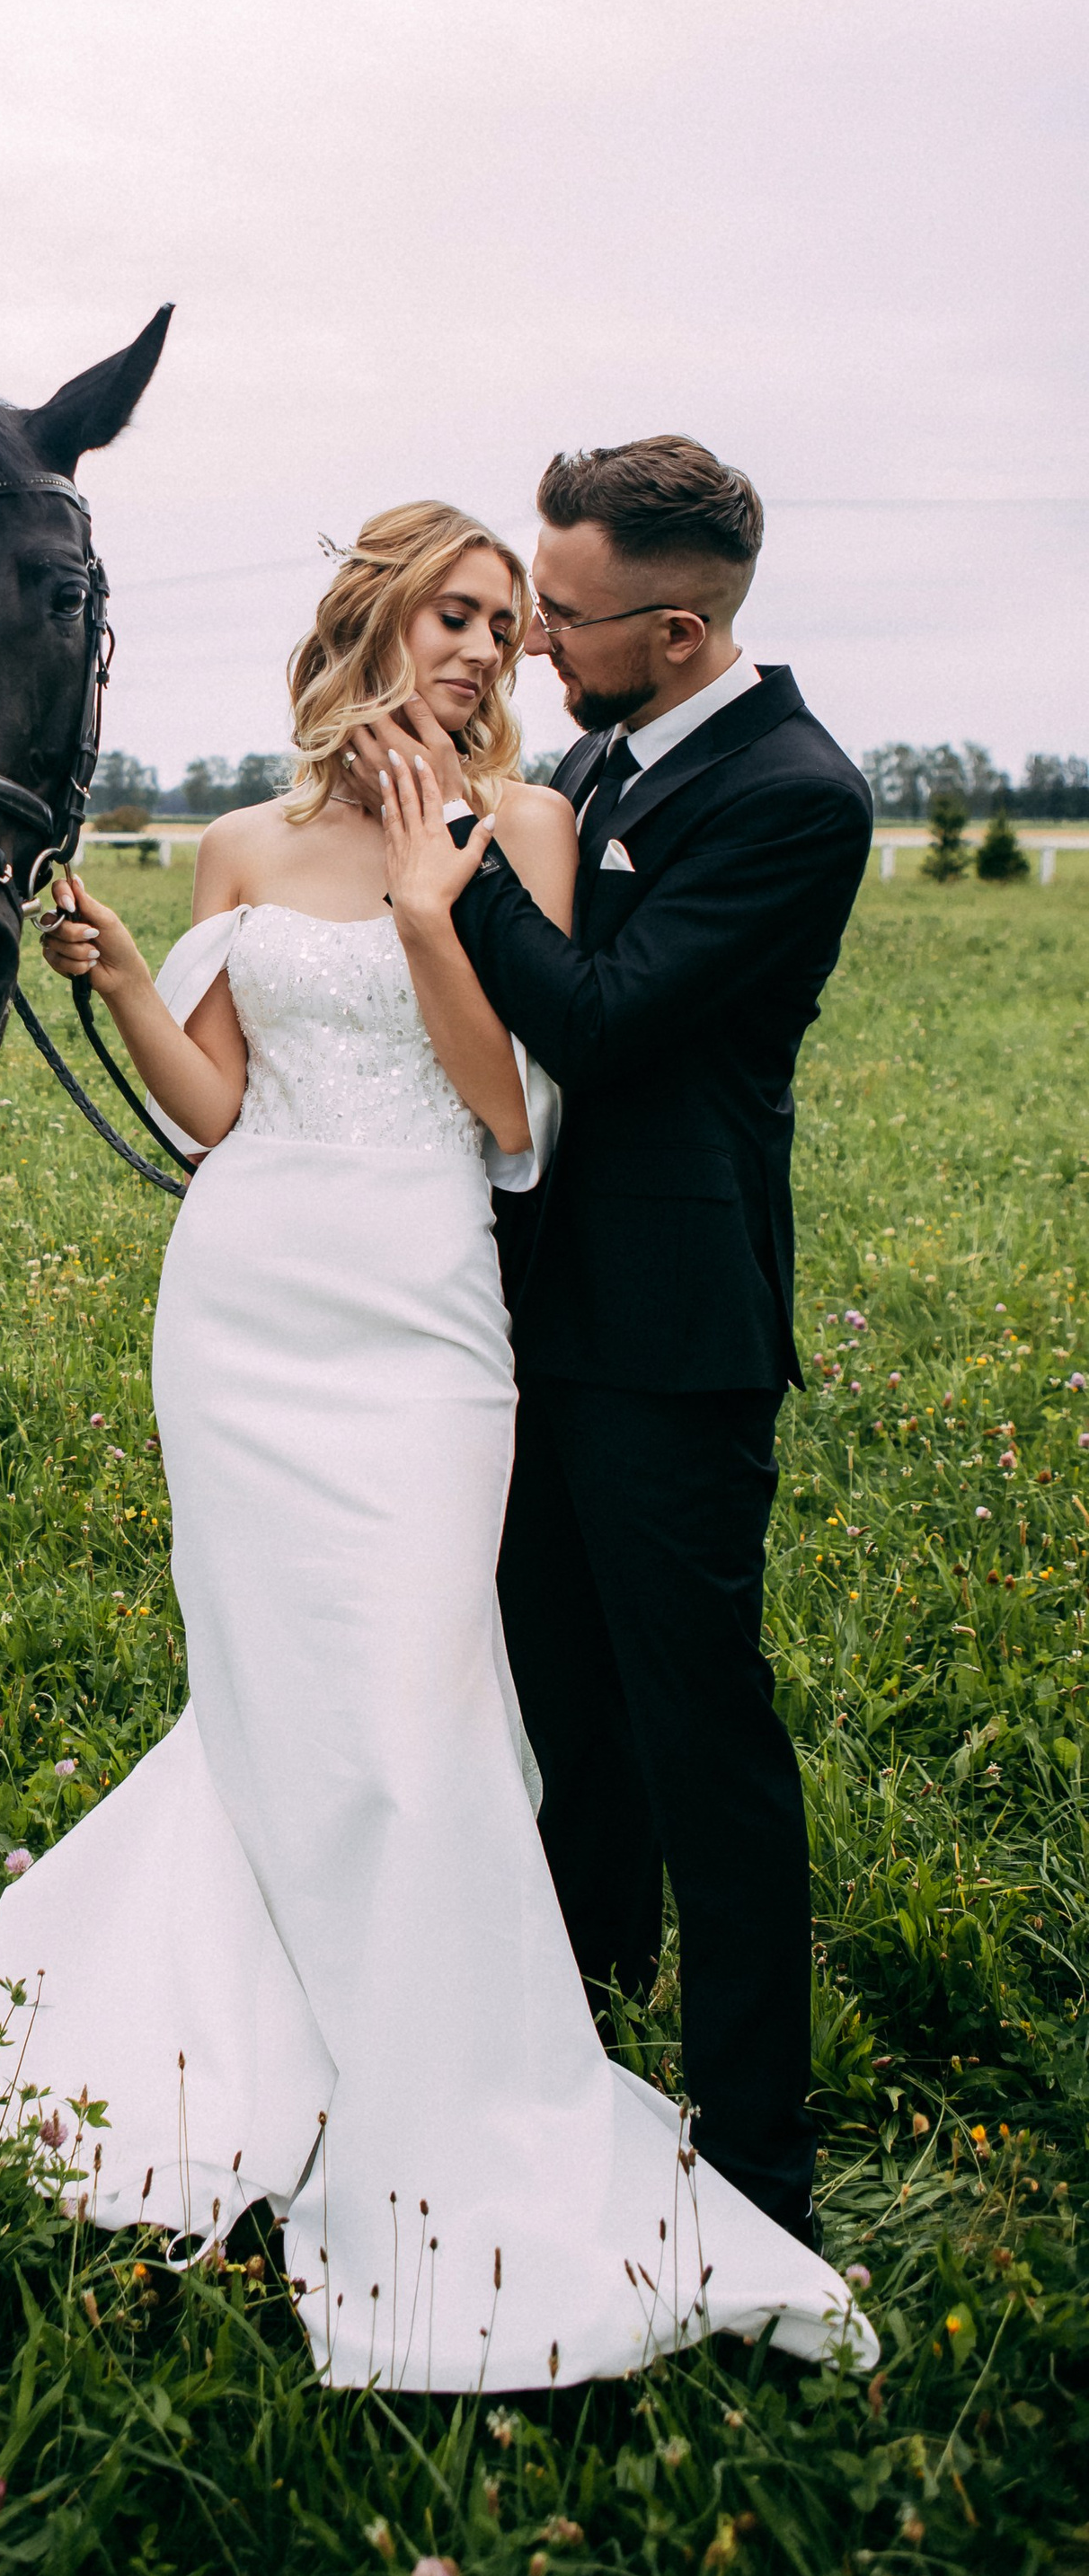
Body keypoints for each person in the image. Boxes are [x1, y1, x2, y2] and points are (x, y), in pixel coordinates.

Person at [0, 496, 872, 2392]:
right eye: (450, 613)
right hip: (242, 1307)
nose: (482, 648)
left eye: (507, 620)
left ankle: (453, 2068)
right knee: (269, 1690)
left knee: (408, 1694)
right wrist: (127, 979)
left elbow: (507, 1111)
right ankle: (254, 2048)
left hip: (424, 1316)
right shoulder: (232, 841)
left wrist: (428, 891)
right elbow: (216, 1110)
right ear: (368, 623)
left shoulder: (515, 830)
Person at [345, 437, 872, 2250]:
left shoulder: (795, 794)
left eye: (559, 618)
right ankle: (578, 2028)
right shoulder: (587, 759)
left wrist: (444, 863)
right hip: (526, 1317)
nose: (533, 647)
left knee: (696, 1725)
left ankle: (754, 2152)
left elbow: (600, 1022)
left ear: (670, 626)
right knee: (558, 1703)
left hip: (671, 1331)